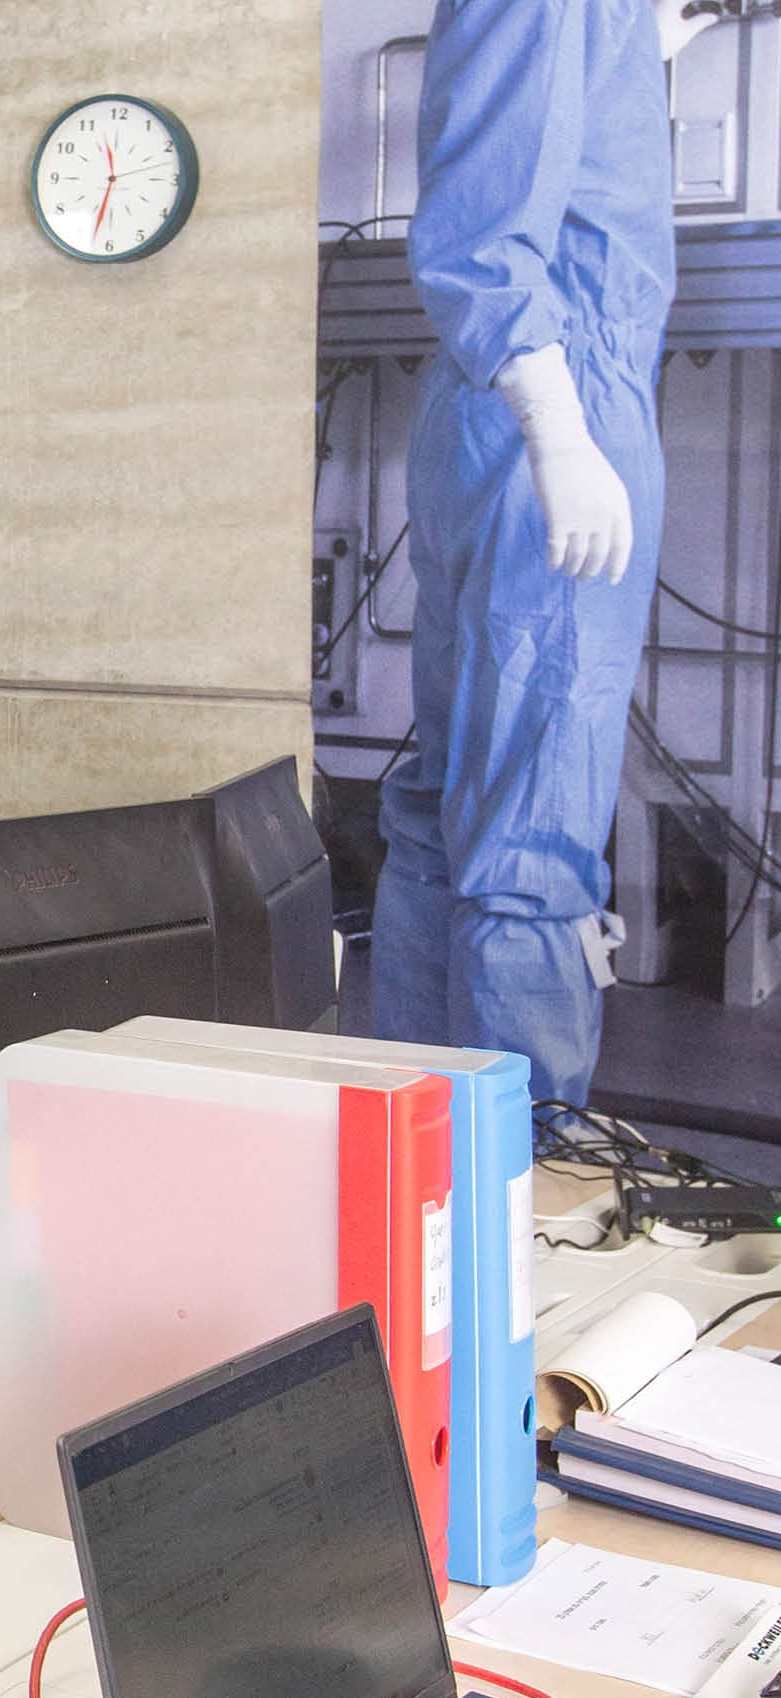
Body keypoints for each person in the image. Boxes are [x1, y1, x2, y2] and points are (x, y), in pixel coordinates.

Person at [375, 0, 724, 1103]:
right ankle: (520, 1171)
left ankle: (417, 1160)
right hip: (551, 397)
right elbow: (482, 234)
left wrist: (632, 47)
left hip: (502, 408)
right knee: (529, 835)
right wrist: (560, 432)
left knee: (452, 812)